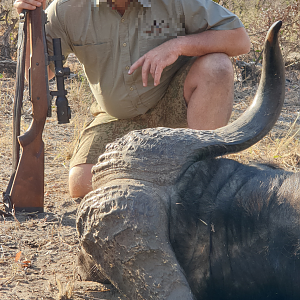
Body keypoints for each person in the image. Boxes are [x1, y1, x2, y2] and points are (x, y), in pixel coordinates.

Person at [14, 0, 251, 199]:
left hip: (174, 107)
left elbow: (239, 40)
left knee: (217, 66)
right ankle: (172, 180)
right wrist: (29, 22)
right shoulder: (66, 9)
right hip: (114, 117)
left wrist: (177, 45)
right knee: (81, 185)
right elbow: (38, 74)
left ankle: (202, 175)